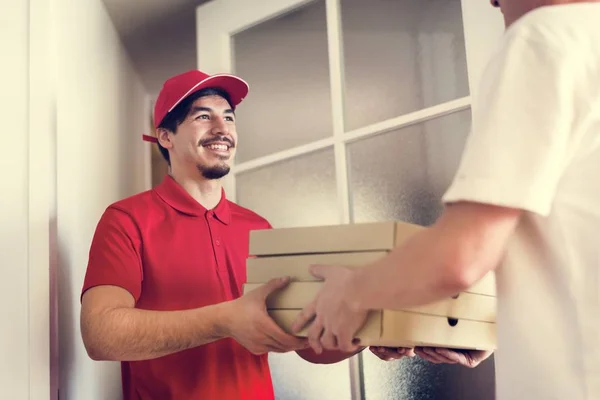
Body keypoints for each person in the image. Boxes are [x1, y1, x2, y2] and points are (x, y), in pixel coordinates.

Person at [292, 0, 600, 398]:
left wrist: (352, 294)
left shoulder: (543, 37)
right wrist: (480, 326)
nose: (492, 2)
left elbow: (463, 255)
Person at [79, 69, 358, 400]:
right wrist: (224, 320)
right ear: (166, 136)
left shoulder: (258, 228)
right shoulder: (126, 220)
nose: (222, 128)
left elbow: (306, 343)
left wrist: (372, 333)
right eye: (203, 116)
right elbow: (100, 335)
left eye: (228, 117)